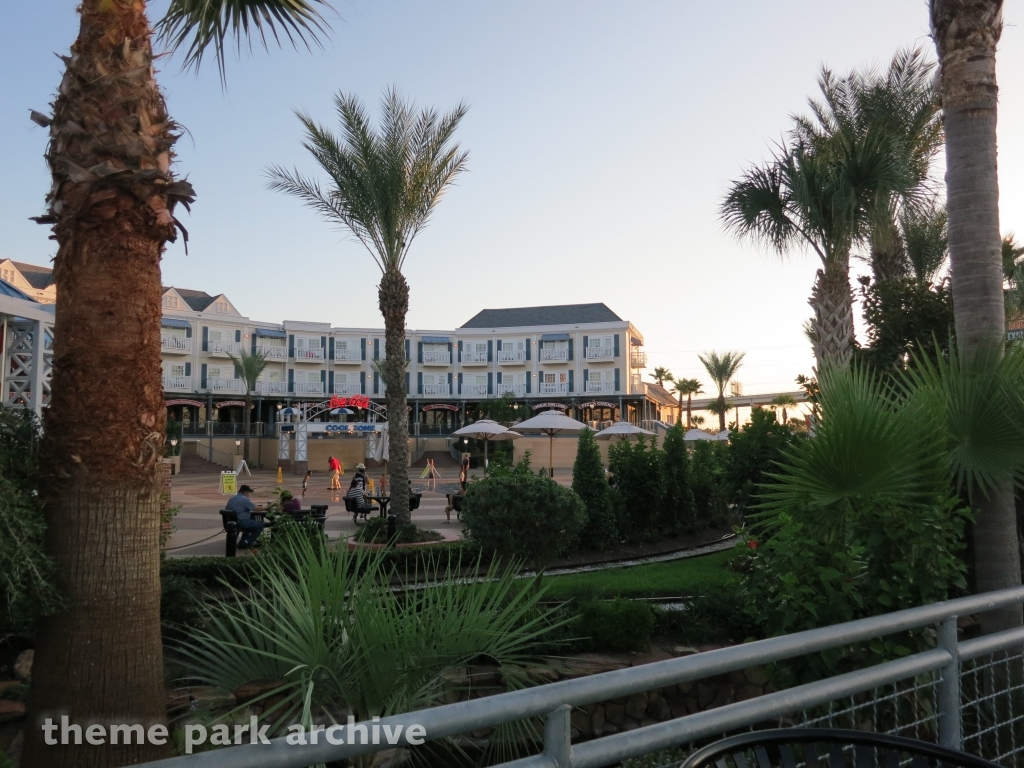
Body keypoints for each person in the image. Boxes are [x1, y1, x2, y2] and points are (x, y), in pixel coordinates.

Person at [225, 484, 267, 549]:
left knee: (251, 522)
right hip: (241, 522)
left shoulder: (232, 498)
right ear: (245, 492)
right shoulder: (244, 499)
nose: (248, 495)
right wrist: (268, 507)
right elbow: (256, 508)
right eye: (248, 493)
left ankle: (244, 540)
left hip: (231, 522)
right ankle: (246, 542)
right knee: (260, 525)